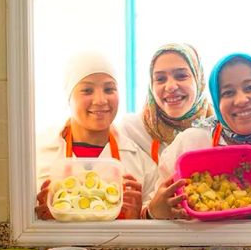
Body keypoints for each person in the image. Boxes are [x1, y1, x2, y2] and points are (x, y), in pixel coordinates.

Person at [145, 53, 251, 219]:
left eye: (250, 87)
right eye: (228, 92)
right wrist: (154, 212)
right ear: (216, 101)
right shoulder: (189, 143)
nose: (241, 100)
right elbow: (152, 215)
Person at [35, 51, 158, 220]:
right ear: (68, 97)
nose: (100, 100)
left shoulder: (140, 162)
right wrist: (42, 220)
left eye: (109, 89)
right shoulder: (38, 154)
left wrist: (137, 217)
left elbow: (153, 231)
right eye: (87, 90)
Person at [119, 43, 214, 164]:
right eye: (160, 79)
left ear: (198, 79)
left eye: (181, 76)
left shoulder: (219, 129)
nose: (170, 87)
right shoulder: (132, 131)